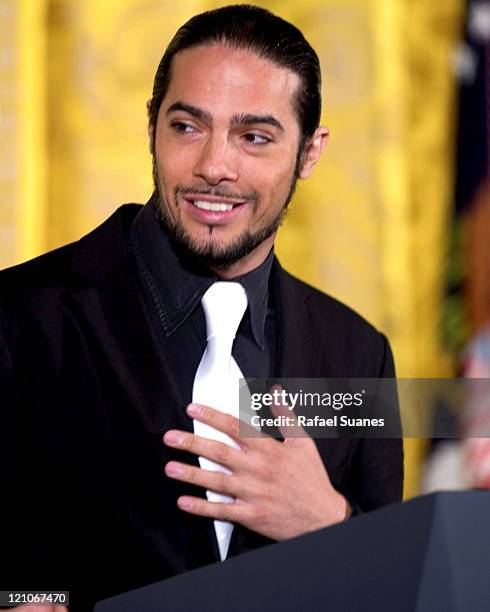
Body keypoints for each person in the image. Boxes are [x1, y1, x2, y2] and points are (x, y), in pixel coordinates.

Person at [0, 5, 403, 611]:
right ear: (152, 126)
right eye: (188, 127)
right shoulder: (24, 315)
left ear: (310, 153)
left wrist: (331, 523)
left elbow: (395, 591)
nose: (215, 166)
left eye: (255, 138)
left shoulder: (359, 354)